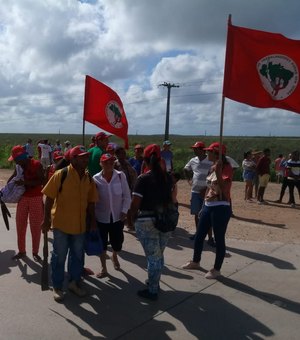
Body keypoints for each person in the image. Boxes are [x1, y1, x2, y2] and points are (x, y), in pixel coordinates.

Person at [41, 145, 98, 302]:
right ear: (73, 159)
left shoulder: (88, 178)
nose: (86, 159)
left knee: (77, 256)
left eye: (87, 157)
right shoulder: (61, 174)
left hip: (80, 226)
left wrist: (93, 221)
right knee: (59, 256)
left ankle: (74, 283)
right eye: (82, 157)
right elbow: (49, 198)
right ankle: (57, 286)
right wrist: (45, 220)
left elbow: (92, 201)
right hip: (61, 224)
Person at [129, 144, 175, 300]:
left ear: (145, 161)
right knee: (159, 255)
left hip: (147, 221)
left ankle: (153, 289)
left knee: (153, 257)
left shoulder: (143, 179)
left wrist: (132, 219)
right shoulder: (168, 178)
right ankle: (153, 281)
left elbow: (135, 204)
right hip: (165, 220)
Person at [182, 142, 233, 279]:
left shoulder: (226, 168)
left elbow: (223, 189)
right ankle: (196, 261)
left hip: (221, 207)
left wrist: (218, 171)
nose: (207, 153)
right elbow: (209, 188)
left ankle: (216, 269)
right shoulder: (212, 167)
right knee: (199, 235)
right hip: (208, 206)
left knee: (219, 239)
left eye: (210, 151)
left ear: (217, 154)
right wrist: (203, 206)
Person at [93, 153, 131, 278]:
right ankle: (104, 268)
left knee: (117, 242)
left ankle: (114, 255)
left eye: (111, 162)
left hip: (117, 217)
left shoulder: (120, 176)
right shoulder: (95, 178)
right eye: (106, 162)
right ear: (101, 164)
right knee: (102, 244)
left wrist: (125, 211)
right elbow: (92, 199)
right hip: (101, 217)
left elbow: (127, 195)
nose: (109, 164)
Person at [8, 145, 44, 261]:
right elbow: (12, 178)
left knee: (35, 226)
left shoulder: (36, 164)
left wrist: (25, 182)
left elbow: (42, 180)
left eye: (16, 159)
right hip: (22, 198)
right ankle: (22, 251)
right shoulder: (19, 166)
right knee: (20, 225)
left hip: (36, 197)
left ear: (21, 157)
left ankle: (35, 252)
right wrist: (6, 189)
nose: (15, 162)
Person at [183, 141, 212, 242]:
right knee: (196, 215)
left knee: (207, 215)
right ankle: (198, 234)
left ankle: (210, 238)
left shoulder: (210, 160)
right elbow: (186, 169)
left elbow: (214, 175)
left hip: (207, 192)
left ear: (202, 150)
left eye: (196, 149)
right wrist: (189, 180)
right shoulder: (193, 160)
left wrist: (206, 188)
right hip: (195, 192)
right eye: (194, 149)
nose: (194, 150)